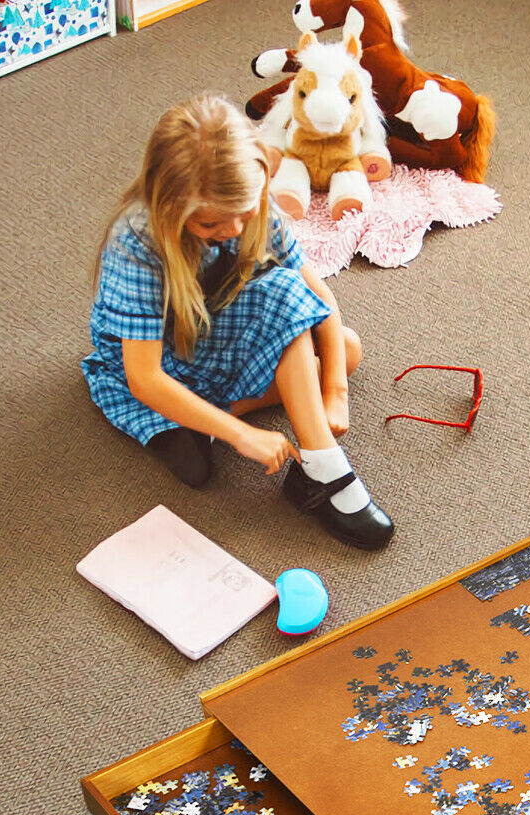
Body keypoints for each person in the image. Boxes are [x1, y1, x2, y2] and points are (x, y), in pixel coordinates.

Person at [82, 94, 393, 551]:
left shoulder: (256, 203)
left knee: (344, 351)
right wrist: (242, 435)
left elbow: (318, 295)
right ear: (169, 206)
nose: (232, 230)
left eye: (242, 215)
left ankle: (274, 448)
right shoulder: (135, 246)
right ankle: (287, 450)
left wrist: (336, 394)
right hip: (158, 359)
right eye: (210, 225)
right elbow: (144, 377)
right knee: (198, 464)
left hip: (216, 325)